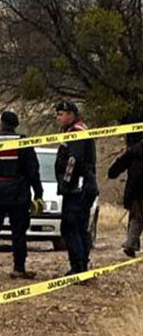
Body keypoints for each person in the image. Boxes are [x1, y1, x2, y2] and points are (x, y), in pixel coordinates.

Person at [0, 111, 42, 279]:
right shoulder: (24, 143)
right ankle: (19, 268)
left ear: (1, 123)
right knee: (18, 232)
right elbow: (33, 171)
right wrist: (38, 193)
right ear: (16, 125)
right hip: (19, 194)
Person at [54, 100, 98, 274]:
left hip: (78, 188)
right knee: (77, 228)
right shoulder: (74, 130)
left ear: (71, 115)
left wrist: (66, 183)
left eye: (61, 114)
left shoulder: (77, 132)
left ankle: (79, 266)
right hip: (81, 187)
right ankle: (80, 265)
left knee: (72, 227)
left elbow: (74, 160)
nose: (58, 118)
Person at [107, 116, 143, 257]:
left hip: (135, 190)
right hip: (135, 190)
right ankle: (131, 244)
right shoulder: (133, 151)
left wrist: (112, 173)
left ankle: (131, 244)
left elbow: (117, 166)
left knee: (136, 218)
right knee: (136, 218)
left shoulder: (133, 151)